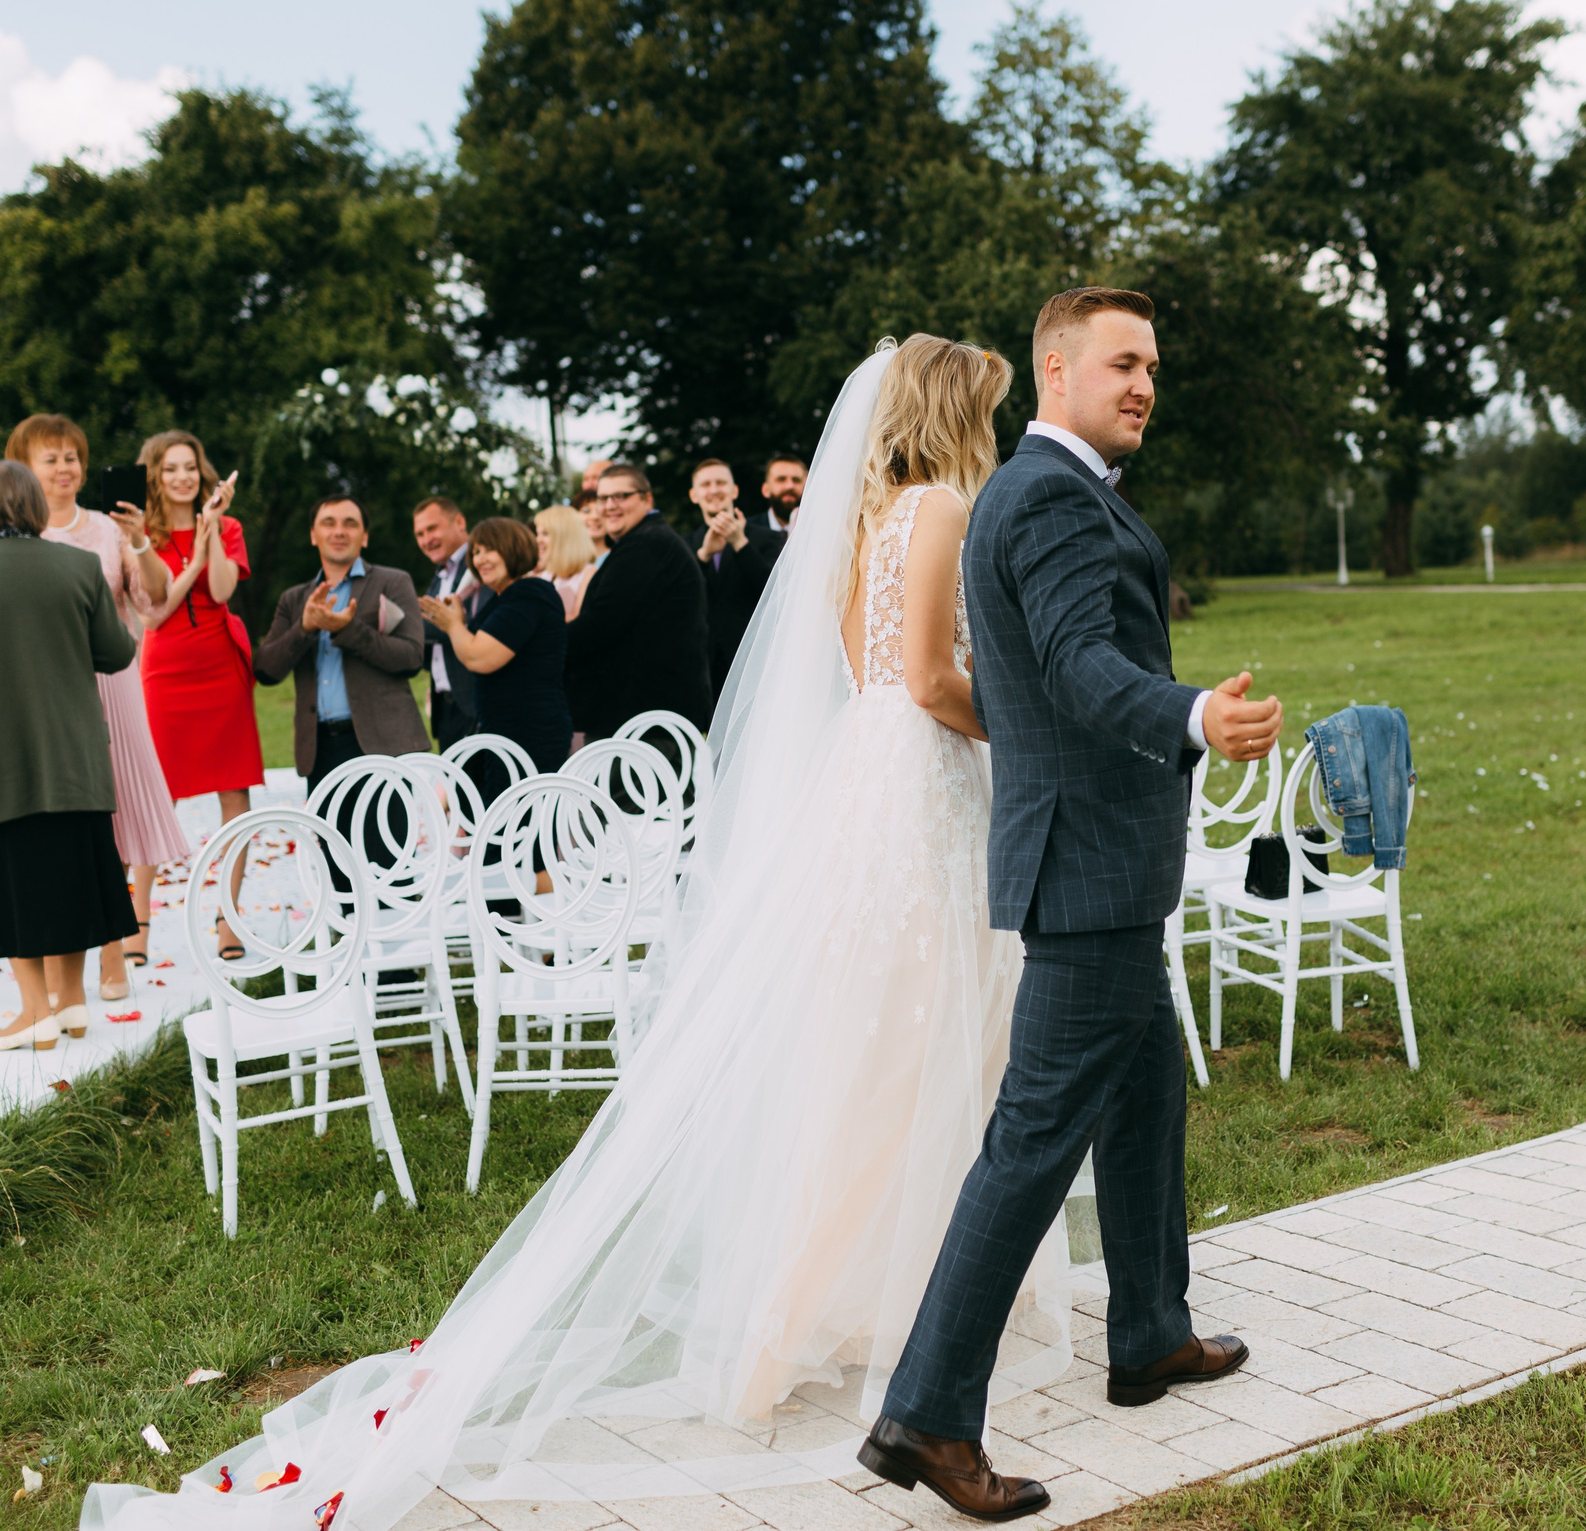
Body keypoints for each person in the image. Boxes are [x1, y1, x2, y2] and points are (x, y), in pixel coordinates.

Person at [87, 335, 1081, 1531]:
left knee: (877, 1051)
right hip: (920, 784)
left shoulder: (863, 520)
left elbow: (862, 669)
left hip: (868, 786)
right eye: (987, 402)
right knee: (913, 1053)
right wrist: (1028, 726)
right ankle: (810, 1316)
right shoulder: (936, 510)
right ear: (947, 410)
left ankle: (849, 1307)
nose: (998, 419)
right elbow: (926, 681)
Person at [860, 290, 1281, 1516]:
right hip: (1086, 868)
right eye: (1121, 361)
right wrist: (1195, 714)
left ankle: (1149, 1329)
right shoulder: (1045, 492)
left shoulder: (1065, 486)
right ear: (1055, 366)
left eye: (1154, 364)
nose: (1144, 382)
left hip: (1102, 864)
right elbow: (1078, 664)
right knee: (1033, 1142)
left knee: (1146, 1093)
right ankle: (929, 1417)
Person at [0, 462, 137, 1051]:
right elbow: (115, 653)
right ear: (36, 505)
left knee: (12, 881)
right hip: (72, 756)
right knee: (71, 875)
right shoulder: (79, 565)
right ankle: (75, 1003)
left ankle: (35, 1010)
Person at [14, 413, 192, 999]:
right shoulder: (12, 536)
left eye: (72, 457)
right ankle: (63, 967)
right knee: (61, 828)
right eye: (51, 458)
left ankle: (113, 952)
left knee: (113, 821)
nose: (65, 468)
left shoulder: (109, 528)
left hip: (111, 686)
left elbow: (153, 599)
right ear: (25, 466)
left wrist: (140, 539)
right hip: (45, 692)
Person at [133, 430, 263, 952]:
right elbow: (150, 603)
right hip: (166, 667)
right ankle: (137, 920)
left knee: (236, 795)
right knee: (156, 794)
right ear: (155, 477)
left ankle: (228, 918)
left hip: (219, 663)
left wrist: (210, 530)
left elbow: (223, 590)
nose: (183, 477)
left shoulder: (226, 525)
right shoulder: (140, 533)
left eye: (190, 467)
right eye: (170, 469)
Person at [256, 493, 431, 790]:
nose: (339, 531)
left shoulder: (394, 582)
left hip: (383, 746)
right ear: (314, 535)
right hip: (320, 748)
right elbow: (265, 670)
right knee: (327, 838)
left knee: (384, 839)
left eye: (350, 524)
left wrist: (348, 630)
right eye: (329, 523)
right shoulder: (295, 599)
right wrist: (305, 628)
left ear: (364, 537)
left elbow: (412, 658)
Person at [562, 464, 713, 738]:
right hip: (641, 720)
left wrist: (538, 641)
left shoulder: (647, 545)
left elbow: (599, 624)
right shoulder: (643, 541)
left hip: (649, 726)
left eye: (621, 496)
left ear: (647, 499)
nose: (609, 506)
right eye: (603, 498)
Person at [419, 517, 568, 779]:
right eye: (475, 552)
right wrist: (459, 622)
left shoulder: (528, 595)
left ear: (513, 548)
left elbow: (478, 657)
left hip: (529, 731)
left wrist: (453, 625)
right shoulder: (504, 597)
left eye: (490, 549)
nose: (480, 559)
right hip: (505, 732)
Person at [689, 458, 785, 694]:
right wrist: (703, 556)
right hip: (703, 667)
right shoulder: (686, 544)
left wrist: (740, 543)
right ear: (694, 495)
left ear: (734, 491)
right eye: (706, 484)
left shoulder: (769, 539)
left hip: (754, 662)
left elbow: (775, 593)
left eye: (720, 483)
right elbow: (682, 600)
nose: (713, 490)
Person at [412, 495, 483, 749]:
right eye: (419, 533)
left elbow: (466, 622)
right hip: (445, 707)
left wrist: (405, 623)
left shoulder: (478, 565)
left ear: (460, 522)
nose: (426, 539)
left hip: (475, 704)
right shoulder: (439, 576)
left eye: (432, 528)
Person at [532, 504, 597, 620]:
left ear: (565, 537)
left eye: (545, 534)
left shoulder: (588, 573)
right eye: (538, 534)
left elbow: (580, 619)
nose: (538, 540)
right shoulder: (547, 575)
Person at [759, 452, 807, 530]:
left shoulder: (819, 529)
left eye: (796, 480)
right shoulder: (745, 531)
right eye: (781, 479)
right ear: (766, 490)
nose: (790, 486)